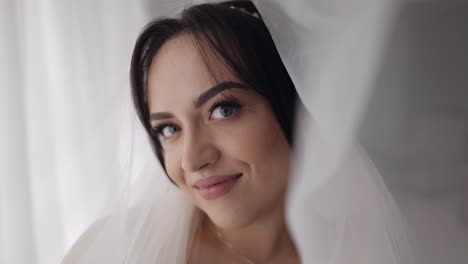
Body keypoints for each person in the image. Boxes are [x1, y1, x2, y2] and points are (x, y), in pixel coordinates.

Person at [62, 1, 415, 263]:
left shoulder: (359, 249)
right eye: (169, 128)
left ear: (297, 108)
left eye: (223, 109)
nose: (193, 159)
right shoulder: (114, 253)